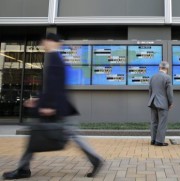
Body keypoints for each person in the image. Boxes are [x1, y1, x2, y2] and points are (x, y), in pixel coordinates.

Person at [2, 33, 104, 180]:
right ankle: (95, 160)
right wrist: (38, 100)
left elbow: (56, 87)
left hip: (56, 108)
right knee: (68, 135)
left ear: (52, 42)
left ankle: (23, 169)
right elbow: (51, 87)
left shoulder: (54, 59)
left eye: (46, 41)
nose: (43, 44)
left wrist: (51, 107)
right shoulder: (54, 58)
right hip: (60, 107)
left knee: (36, 134)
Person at [148, 61, 173, 146]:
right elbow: (169, 92)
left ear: (159, 68)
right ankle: (159, 141)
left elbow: (150, 91)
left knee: (154, 122)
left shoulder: (152, 77)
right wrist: (171, 102)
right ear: (167, 68)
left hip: (152, 101)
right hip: (163, 103)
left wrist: (151, 100)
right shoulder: (167, 77)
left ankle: (153, 140)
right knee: (162, 122)